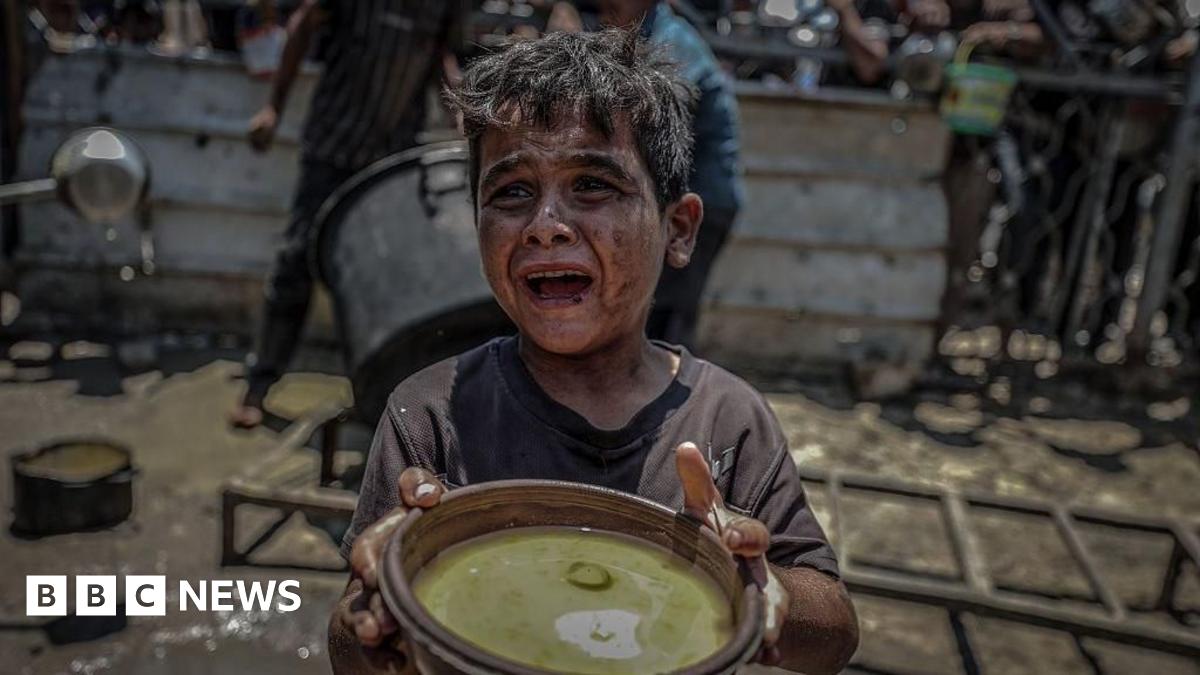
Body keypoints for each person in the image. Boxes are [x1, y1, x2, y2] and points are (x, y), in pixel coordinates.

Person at [327, 30, 859, 674]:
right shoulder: (432, 413)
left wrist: (762, 589)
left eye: (593, 186)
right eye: (512, 192)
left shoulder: (726, 420)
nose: (547, 223)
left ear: (678, 229)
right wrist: (387, 603)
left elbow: (833, 630)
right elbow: (349, 644)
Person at [229, 0, 469, 428]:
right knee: (296, 262)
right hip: (333, 143)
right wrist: (273, 108)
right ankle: (258, 384)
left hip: (393, 155)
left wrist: (462, 120)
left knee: (387, 278)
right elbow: (301, 27)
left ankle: (380, 393)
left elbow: (439, 56)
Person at [554, 0, 744, 351]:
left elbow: (645, 116)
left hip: (698, 200)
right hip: (658, 198)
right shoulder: (621, 33)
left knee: (667, 314)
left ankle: (670, 394)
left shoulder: (673, 41)